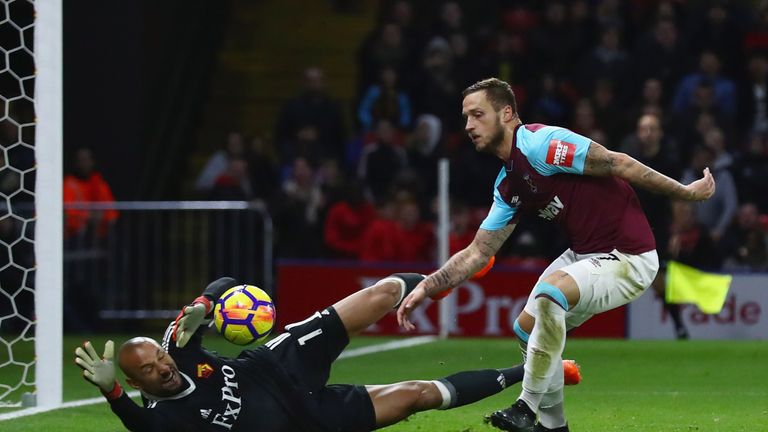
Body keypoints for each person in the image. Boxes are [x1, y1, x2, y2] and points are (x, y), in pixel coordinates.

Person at [396, 78, 715, 432]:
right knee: (525, 329)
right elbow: (478, 252)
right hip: (585, 255)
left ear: (506, 113)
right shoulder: (508, 183)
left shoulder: (541, 145)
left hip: (629, 256)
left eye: (477, 115)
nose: (468, 125)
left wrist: (685, 193)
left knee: (551, 294)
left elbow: (616, 162)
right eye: (466, 117)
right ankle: (554, 426)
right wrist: (427, 286)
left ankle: (525, 406)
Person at [75, 275, 582, 432]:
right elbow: (141, 428)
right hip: (306, 420)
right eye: (152, 373)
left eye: (159, 360)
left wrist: (206, 304)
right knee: (416, 395)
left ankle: (450, 274)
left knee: (384, 292)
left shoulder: (175, 346)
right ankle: (536, 370)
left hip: (275, 363)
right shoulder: (161, 417)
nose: (163, 368)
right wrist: (114, 393)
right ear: (139, 384)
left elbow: (227, 282)